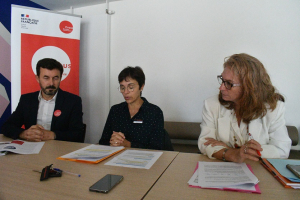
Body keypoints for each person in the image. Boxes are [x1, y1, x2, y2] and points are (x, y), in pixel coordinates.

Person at [198, 53, 291, 163]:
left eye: (229, 83)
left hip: (258, 171)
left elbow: (282, 150)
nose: (221, 87)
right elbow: (205, 142)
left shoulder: (273, 108)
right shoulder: (212, 105)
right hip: (223, 169)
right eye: (222, 80)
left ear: (249, 87)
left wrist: (233, 151)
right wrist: (232, 154)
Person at [1, 58, 84, 142]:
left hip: (59, 149)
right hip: (31, 149)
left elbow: (78, 134)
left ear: (60, 78)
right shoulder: (26, 100)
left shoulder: (73, 101)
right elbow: (7, 127)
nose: (51, 83)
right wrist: (23, 134)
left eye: (55, 78)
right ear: (38, 78)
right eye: (46, 78)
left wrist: (54, 135)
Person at [99, 66, 167, 150]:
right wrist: (113, 141)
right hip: (116, 158)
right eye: (122, 88)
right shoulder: (115, 110)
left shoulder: (154, 112)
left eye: (131, 87)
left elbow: (157, 147)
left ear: (141, 87)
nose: (126, 92)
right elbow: (103, 142)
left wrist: (128, 144)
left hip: (144, 159)